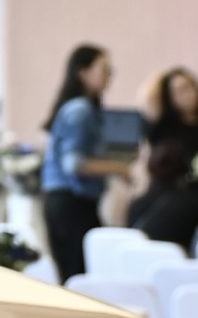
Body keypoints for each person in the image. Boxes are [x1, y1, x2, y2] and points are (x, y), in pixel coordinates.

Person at [40, 44, 131, 278]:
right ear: (83, 72)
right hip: (71, 204)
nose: (109, 76)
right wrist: (118, 167)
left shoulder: (81, 109)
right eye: (104, 69)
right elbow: (74, 164)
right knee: (80, 278)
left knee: (77, 275)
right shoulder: (80, 110)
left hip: (67, 203)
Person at [131, 67, 198, 245]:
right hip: (170, 191)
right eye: (177, 91)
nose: (186, 94)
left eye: (188, 87)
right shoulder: (163, 129)